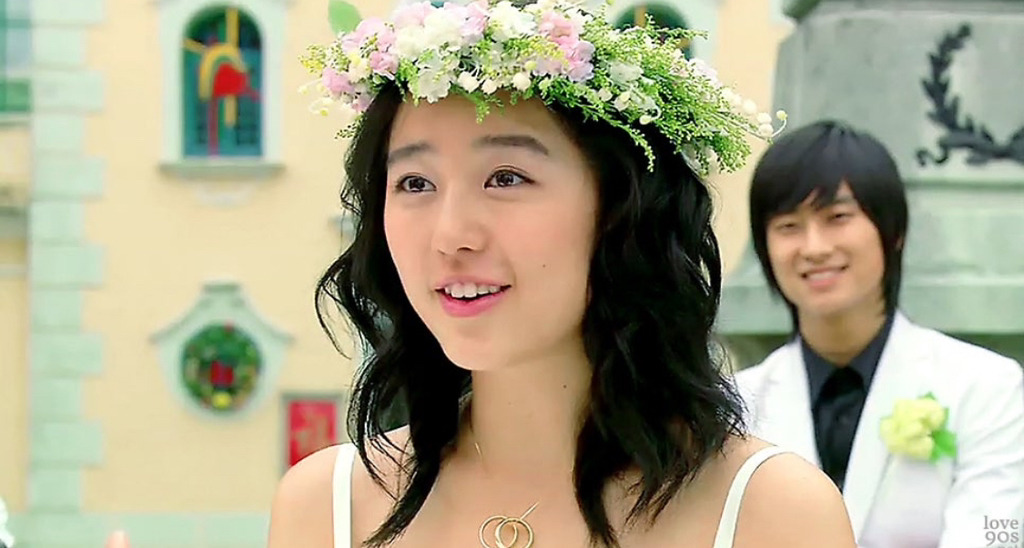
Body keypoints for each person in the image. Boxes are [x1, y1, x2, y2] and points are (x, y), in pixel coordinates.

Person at [268, 2, 856, 547]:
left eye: (505, 178)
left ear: (621, 208)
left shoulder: (771, 512)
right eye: (415, 183)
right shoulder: (327, 507)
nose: (451, 235)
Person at [733, 120, 1024, 547]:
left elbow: (995, 535)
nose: (814, 248)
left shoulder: (985, 387)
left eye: (837, 218)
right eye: (788, 226)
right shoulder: (735, 407)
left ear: (894, 232)